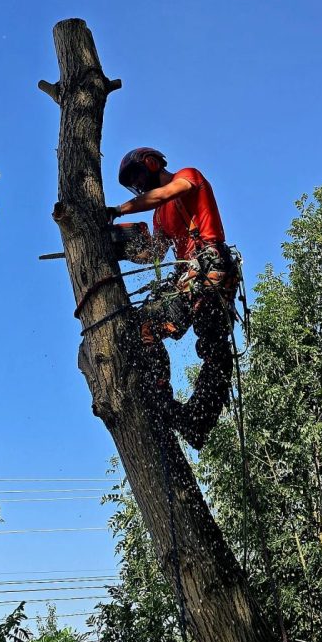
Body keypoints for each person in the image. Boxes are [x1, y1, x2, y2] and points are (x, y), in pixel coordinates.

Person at [109, 147, 238, 451]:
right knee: (144, 328)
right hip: (189, 278)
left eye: (140, 176)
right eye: (134, 183)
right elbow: (153, 253)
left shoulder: (187, 177)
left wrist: (117, 210)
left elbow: (166, 194)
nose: (140, 185)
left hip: (210, 267)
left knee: (214, 347)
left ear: (152, 164)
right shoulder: (158, 215)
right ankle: (161, 400)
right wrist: (119, 247)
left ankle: (197, 418)